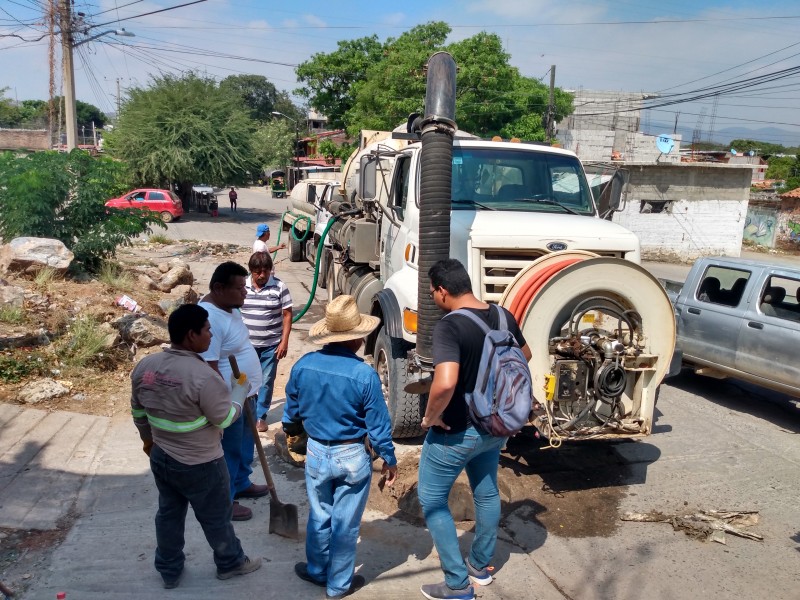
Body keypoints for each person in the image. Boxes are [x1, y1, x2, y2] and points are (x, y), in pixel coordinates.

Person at [418, 258, 532, 600]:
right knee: (486, 490)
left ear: (441, 291)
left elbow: (445, 381)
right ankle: (480, 567)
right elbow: (525, 354)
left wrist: (430, 417)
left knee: (432, 499)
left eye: (432, 292)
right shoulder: (502, 315)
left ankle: (456, 584)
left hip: (456, 430)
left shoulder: (449, 326)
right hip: (495, 425)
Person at [130, 304, 262, 588]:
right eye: (207, 329)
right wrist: (239, 394)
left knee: (168, 514)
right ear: (191, 335)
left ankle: (168, 569)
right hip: (202, 464)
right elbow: (224, 418)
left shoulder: (145, 366)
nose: (211, 335)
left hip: (162, 457)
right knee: (216, 518)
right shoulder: (203, 376)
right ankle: (231, 563)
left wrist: (149, 442)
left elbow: (138, 412)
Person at [283, 295, 398, 600]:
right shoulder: (364, 375)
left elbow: (291, 411)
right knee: (345, 524)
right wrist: (389, 458)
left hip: (318, 452)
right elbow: (378, 426)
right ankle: (338, 585)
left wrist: (292, 432)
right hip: (352, 456)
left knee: (320, 514)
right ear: (358, 339)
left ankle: (318, 571)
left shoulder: (304, 365)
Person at [199, 261, 267, 522]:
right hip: (230, 398)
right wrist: (226, 401)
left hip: (245, 393)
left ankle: (241, 482)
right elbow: (209, 367)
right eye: (239, 288)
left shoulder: (229, 307)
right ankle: (225, 501)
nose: (245, 292)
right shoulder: (209, 319)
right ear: (218, 288)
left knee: (243, 446)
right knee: (228, 450)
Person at [241, 251, 293, 432]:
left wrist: (284, 341)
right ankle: (242, 412)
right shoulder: (242, 286)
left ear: (271, 270)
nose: (262, 276)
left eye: (265, 271)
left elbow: (287, 315)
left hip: (271, 345)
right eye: (257, 272)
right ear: (251, 271)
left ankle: (260, 416)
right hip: (245, 346)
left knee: (266, 380)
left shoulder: (279, 287)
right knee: (243, 379)